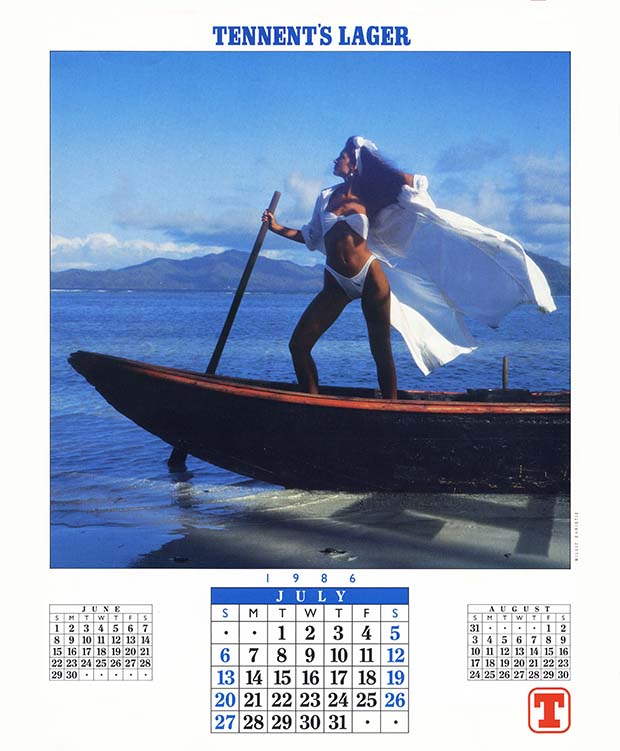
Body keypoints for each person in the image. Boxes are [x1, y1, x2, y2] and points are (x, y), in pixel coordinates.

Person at [263, 135, 556, 396]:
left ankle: (390, 409)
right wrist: (276, 227)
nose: (335, 160)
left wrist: (372, 163)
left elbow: (415, 182)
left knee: (380, 351)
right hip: (335, 281)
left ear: (354, 162)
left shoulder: (370, 194)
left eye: (342, 155)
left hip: (369, 276)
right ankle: (312, 403)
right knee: (299, 345)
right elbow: (311, 236)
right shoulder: (326, 196)